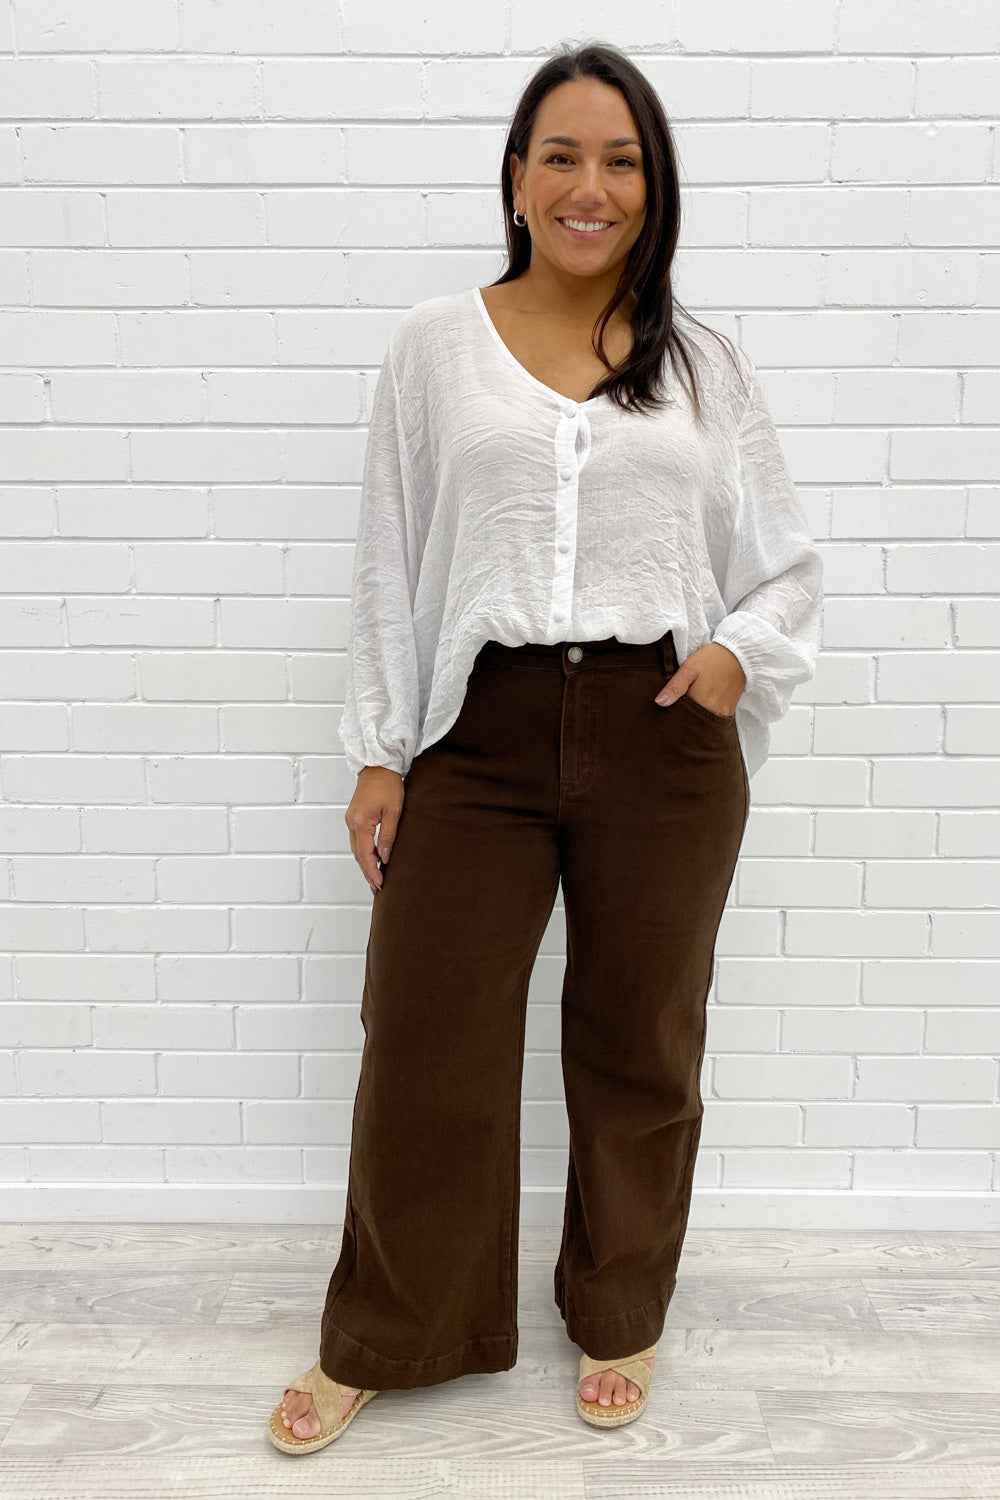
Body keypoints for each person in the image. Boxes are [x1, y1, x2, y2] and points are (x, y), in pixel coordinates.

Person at [268, 40, 822, 1455]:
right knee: (425, 1038)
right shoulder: (434, 346)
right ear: (516, 178)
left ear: (655, 186)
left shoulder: (704, 365)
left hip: (661, 730)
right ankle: (390, 1329)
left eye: (623, 161)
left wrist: (728, 659)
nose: (592, 186)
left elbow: (785, 567)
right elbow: (390, 558)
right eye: (563, 155)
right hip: (481, 730)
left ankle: (620, 1307)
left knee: (643, 1040)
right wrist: (381, 750)